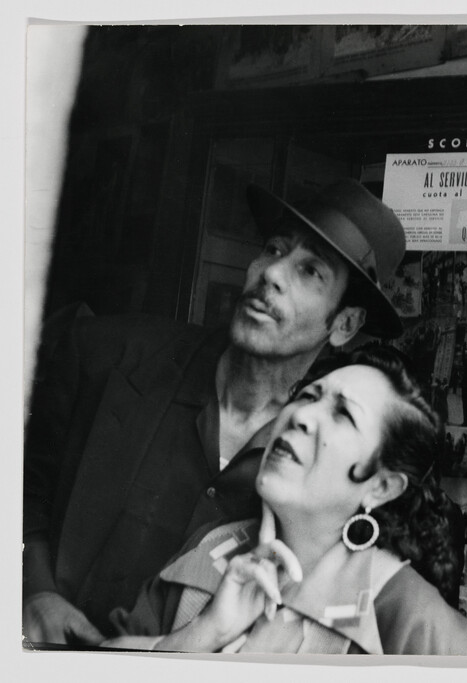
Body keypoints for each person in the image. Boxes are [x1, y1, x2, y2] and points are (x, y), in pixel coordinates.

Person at [23, 179, 408, 645]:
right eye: (273, 249)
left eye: (310, 271)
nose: (272, 274)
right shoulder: (106, 354)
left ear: (344, 325)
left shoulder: (313, 463)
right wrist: (34, 590)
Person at [104, 347, 467, 655]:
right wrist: (200, 636)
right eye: (307, 395)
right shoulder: (210, 548)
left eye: (343, 415)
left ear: (381, 486)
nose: (302, 415)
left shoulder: (413, 622)